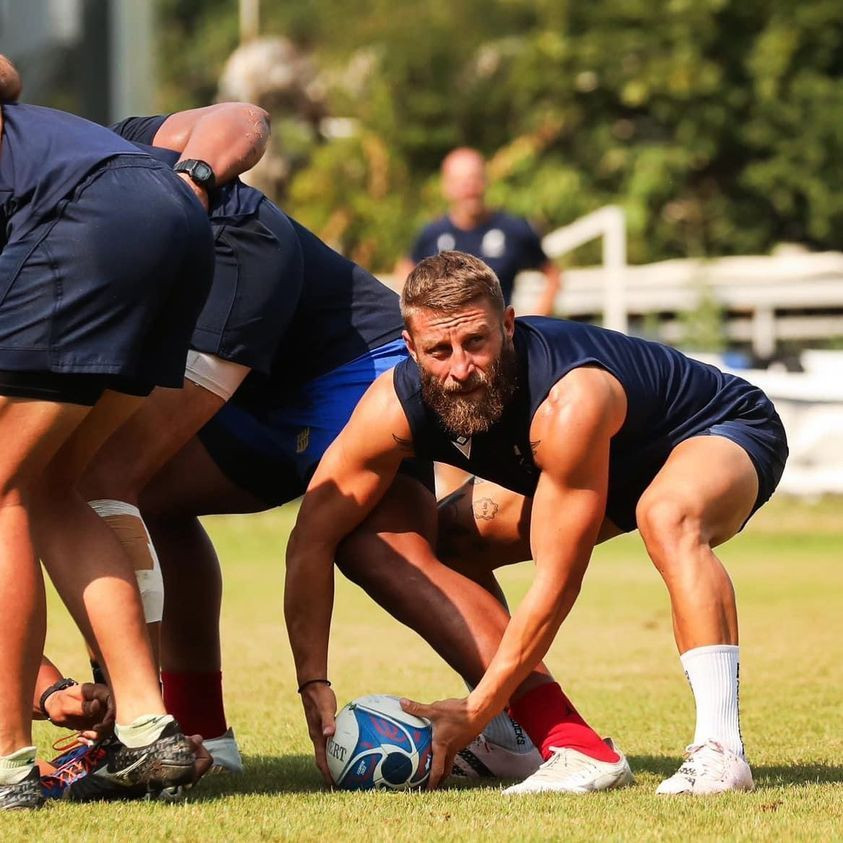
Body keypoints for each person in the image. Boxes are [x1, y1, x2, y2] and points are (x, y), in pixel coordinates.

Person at [284, 250, 788, 796]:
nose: (460, 368)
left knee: (667, 515)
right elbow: (312, 538)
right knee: (440, 542)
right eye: (439, 350)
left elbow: (557, 581)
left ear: (507, 325)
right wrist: (312, 680)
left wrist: (476, 706)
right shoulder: (393, 405)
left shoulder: (569, 398)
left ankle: (721, 751)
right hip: (600, 463)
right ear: (410, 347)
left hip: (717, 428)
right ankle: (511, 740)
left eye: (476, 341)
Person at [0, 55, 256, 809]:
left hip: (90, 221)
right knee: (54, 487)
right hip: (175, 220)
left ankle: (7, 765)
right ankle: (149, 728)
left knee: (1, 490)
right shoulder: (38, 133)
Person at [397, 147, 561, 314]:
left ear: (486, 180)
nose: (469, 187)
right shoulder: (432, 233)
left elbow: (552, 274)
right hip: (445, 328)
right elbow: (405, 268)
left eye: (474, 178)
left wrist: (534, 319)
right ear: (446, 187)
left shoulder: (513, 229)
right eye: (460, 181)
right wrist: (417, 316)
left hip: (496, 328)